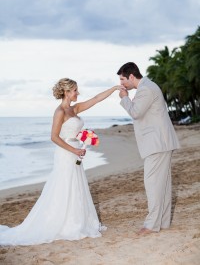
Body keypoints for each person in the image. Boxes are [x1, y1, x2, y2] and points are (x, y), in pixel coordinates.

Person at [0, 78, 121, 246]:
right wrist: (75, 150)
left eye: (77, 90)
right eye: (75, 91)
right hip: (66, 153)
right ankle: (63, 223)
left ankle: (77, 221)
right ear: (66, 92)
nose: (77, 93)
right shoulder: (60, 112)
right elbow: (54, 137)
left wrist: (114, 88)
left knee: (76, 185)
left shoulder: (75, 108)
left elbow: (96, 99)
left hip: (76, 152)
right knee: (64, 185)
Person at [117, 62, 180, 235]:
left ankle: (152, 225)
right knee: (163, 184)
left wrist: (124, 98)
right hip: (161, 142)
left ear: (131, 76)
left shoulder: (145, 89)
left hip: (157, 143)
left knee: (153, 183)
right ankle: (164, 222)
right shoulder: (148, 86)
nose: (122, 84)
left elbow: (136, 112)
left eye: (123, 79)